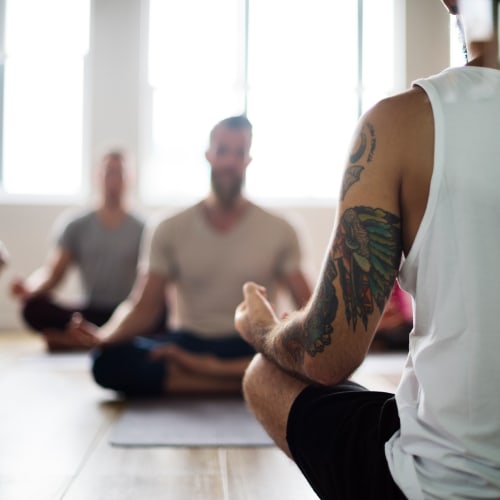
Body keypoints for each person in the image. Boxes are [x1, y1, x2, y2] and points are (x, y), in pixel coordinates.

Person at [235, 1, 500, 498]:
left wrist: (261, 328)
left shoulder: (400, 123)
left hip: (444, 484)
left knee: (263, 373)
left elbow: (326, 356)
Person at [84, 115, 311, 397]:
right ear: (208, 155)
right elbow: (142, 306)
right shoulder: (168, 227)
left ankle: (198, 375)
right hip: (189, 342)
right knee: (106, 361)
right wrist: (104, 335)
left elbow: (308, 306)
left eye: (239, 152)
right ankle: (245, 383)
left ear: (248, 159)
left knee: (307, 359)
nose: (229, 161)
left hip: (251, 344)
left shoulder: (281, 228)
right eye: (222, 151)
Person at [10, 151, 147, 351]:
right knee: (32, 308)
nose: (114, 180)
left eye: (120, 173)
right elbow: (53, 275)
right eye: (109, 172)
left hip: (126, 313)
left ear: (131, 178)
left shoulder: (144, 229)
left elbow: (151, 287)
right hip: (88, 313)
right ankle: (95, 338)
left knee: (161, 316)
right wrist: (29, 288)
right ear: (98, 176)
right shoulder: (76, 225)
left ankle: (76, 340)